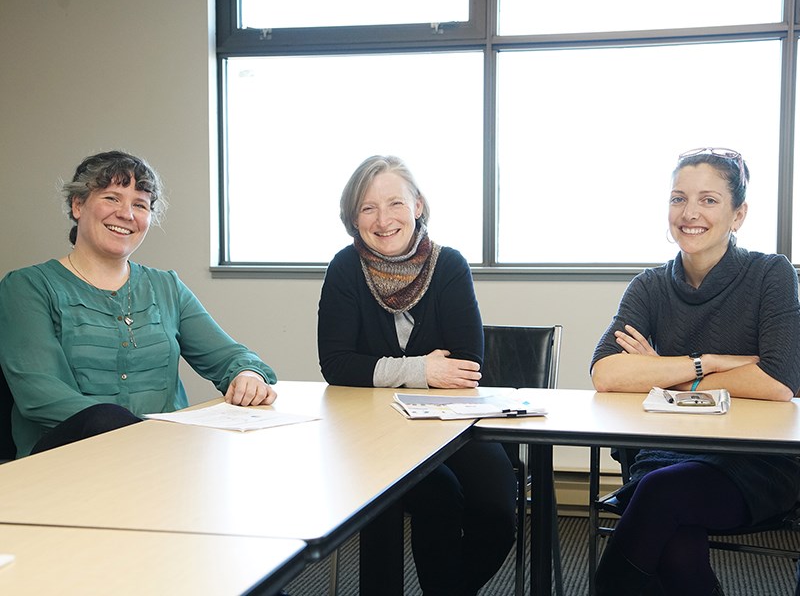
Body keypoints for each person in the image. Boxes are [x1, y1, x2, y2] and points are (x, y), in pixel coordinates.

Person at [590, 147, 800, 596]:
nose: (689, 213)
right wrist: (712, 363)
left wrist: (662, 373)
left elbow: (779, 382)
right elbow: (606, 373)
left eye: (708, 200)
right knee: (674, 540)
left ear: (738, 214)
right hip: (665, 453)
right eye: (678, 198)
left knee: (662, 500)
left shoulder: (772, 275)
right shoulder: (649, 286)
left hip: (754, 462)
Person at [317, 155, 517, 596]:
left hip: (453, 422)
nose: (383, 219)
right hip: (371, 429)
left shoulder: (449, 266)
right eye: (367, 208)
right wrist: (423, 368)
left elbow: (466, 364)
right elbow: (336, 365)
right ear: (353, 218)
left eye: (395, 203)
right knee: (433, 497)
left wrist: (382, 371)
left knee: (498, 513)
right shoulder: (345, 268)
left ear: (419, 205)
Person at [0, 150, 277, 458]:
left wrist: (248, 375)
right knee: (104, 418)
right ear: (78, 205)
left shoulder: (166, 286)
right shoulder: (27, 286)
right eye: (111, 198)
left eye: (140, 205)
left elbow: (232, 357)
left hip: (163, 457)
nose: (126, 214)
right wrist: (140, 432)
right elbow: (41, 395)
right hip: (67, 460)